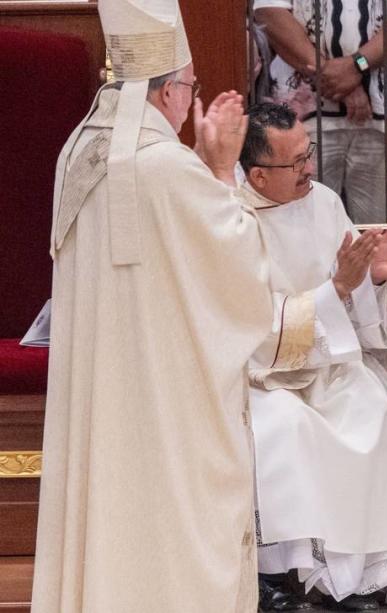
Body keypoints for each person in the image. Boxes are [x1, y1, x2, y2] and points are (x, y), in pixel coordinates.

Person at [31, 1, 274, 611]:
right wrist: (221, 167)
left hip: (103, 387)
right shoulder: (168, 168)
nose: (190, 98)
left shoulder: (75, 153)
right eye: (189, 86)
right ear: (166, 92)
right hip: (166, 399)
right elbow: (243, 274)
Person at [237, 103, 387, 611]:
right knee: (286, 428)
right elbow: (247, 325)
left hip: (329, 362)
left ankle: (361, 579)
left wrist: (371, 278)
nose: (310, 169)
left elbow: (356, 306)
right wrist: (338, 289)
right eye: (296, 163)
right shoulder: (230, 220)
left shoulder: (325, 202)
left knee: (376, 413)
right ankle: (288, 579)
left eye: (308, 155)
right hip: (260, 378)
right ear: (258, 174)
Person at [252, 0, 387, 223]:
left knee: (376, 228)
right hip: (304, 116)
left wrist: (356, 65)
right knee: (301, 219)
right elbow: (269, 11)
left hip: (383, 112)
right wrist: (329, 74)